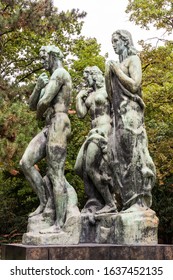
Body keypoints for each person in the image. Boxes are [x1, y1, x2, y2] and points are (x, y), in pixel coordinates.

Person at [20, 45, 72, 232]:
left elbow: (43, 103)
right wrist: (37, 87)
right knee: (26, 162)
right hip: (48, 126)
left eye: (44, 57)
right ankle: (44, 203)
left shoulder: (60, 73)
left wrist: (38, 113)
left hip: (58, 123)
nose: (42, 62)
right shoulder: (49, 78)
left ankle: (59, 224)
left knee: (55, 173)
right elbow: (33, 105)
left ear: (52, 56)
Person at [105, 30, 156, 210]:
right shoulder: (116, 64)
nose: (113, 44)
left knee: (133, 156)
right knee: (118, 159)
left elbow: (135, 85)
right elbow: (111, 96)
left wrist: (116, 70)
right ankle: (128, 203)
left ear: (126, 41)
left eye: (116, 40)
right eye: (112, 41)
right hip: (118, 116)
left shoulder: (133, 60)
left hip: (131, 113)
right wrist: (108, 72)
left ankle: (138, 201)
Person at [75, 66, 117, 216]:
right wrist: (78, 98)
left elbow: (116, 111)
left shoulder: (108, 89)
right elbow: (81, 114)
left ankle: (110, 203)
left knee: (91, 167)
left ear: (94, 75)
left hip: (104, 130)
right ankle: (96, 200)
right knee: (79, 168)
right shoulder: (90, 95)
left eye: (87, 77)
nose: (86, 80)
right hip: (92, 132)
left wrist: (113, 135)